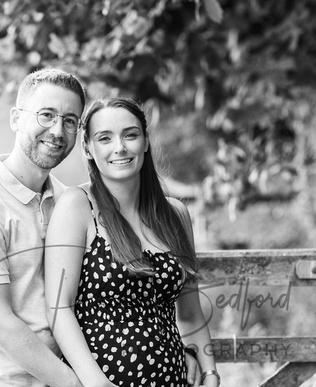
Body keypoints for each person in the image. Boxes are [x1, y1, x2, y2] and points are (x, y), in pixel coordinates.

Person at [44, 97, 219, 387]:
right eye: (105, 138)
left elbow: (190, 314)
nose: (120, 147)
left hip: (173, 380)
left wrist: (210, 372)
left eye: (130, 134)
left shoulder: (175, 214)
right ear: (88, 148)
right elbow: (59, 308)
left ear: (146, 141)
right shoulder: (77, 206)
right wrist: (97, 384)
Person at [0, 68, 86, 386]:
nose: (58, 131)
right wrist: (75, 383)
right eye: (46, 115)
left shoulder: (67, 201)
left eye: (70, 121)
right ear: (16, 119)